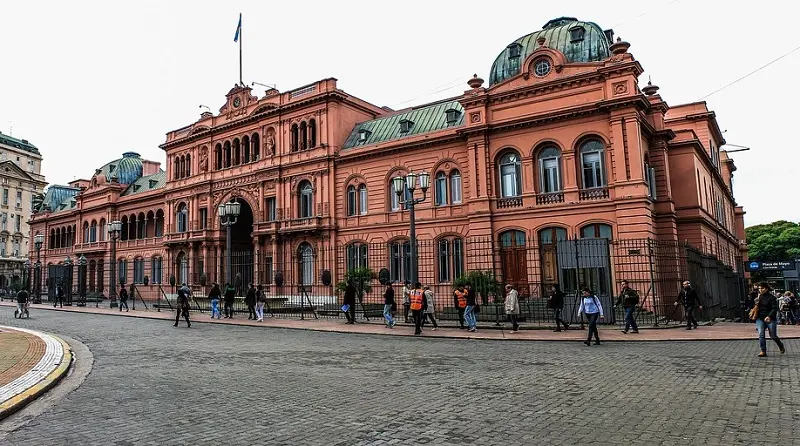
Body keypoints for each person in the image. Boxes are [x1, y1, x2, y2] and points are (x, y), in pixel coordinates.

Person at [750, 282, 786, 357]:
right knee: (761, 335)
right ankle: (763, 351)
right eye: (759, 288)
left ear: (766, 288)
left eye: (762, 288)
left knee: (773, 336)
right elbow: (755, 306)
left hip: (770, 318)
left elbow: (774, 308)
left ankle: (780, 345)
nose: (760, 290)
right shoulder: (759, 297)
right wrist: (756, 303)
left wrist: (769, 316)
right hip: (760, 318)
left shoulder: (772, 298)